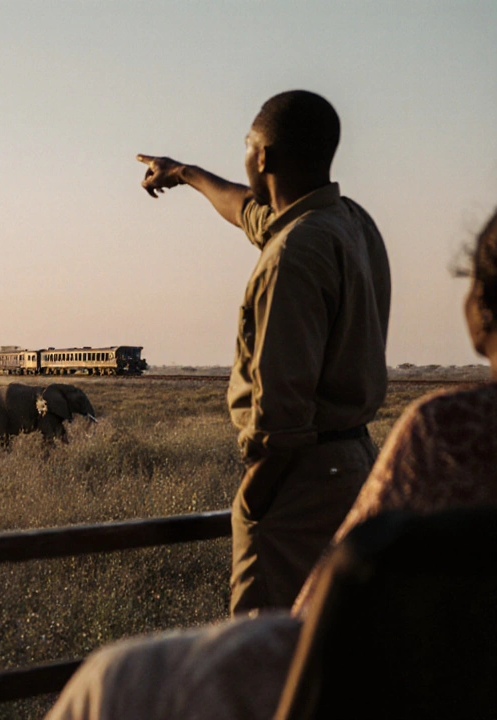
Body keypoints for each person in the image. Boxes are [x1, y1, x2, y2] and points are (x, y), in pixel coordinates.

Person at [46, 205, 497, 720]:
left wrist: (256, 497)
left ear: (477, 308)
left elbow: (340, 588)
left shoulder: (446, 430)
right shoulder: (344, 229)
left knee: (112, 680)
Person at [137, 90, 392, 614]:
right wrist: (184, 172)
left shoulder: (294, 255)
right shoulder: (349, 223)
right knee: (336, 641)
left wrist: (255, 501)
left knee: (265, 644)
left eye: (247, 145)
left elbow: (282, 411)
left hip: (300, 480)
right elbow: (247, 210)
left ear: (262, 157)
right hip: (352, 464)